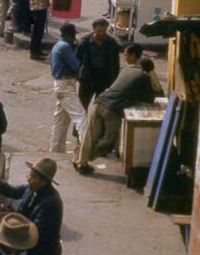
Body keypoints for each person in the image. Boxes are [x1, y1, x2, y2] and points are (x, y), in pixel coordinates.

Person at [74, 45, 156, 174]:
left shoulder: (126, 69)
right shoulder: (144, 77)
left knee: (90, 135)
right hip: (113, 109)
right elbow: (150, 98)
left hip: (100, 102)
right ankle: (82, 161)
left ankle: (80, 160)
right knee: (108, 141)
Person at [49, 23, 88, 154]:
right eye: (73, 36)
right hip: (65, 86)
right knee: (80, 117)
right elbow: (76, 65)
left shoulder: (58, 45)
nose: (74, 38)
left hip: (60, 84)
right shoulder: (65, 47)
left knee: (61, 121)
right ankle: (85, 149)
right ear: (68, 35)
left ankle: (56, 151)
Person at [76, 18, 121, 110]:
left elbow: (116, 63)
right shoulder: (84, 42)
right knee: (82, 107)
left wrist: (114, 79)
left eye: (104, 31)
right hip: (87, 80)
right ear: (93, 29)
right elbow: (77, 60)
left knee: (101, 109)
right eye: (99, 31)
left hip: (104, 79)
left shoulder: (111, 43)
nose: (101, 34)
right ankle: (80, 125)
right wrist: (78, 77)